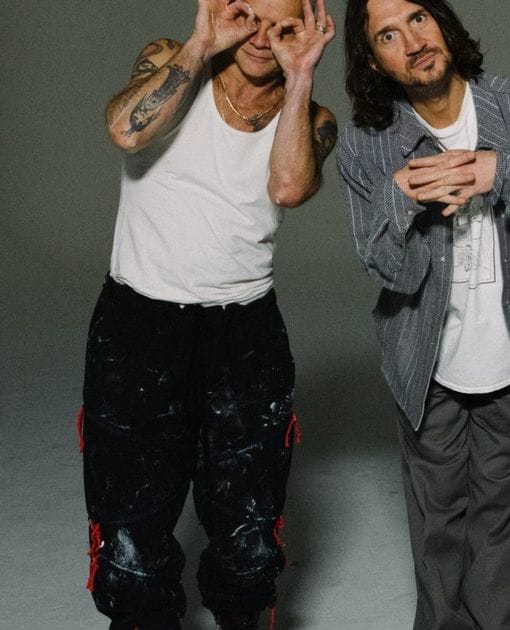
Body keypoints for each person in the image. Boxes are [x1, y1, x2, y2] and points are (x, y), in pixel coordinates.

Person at [81, 0, 337, 628]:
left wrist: (301, 75)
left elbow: (288, 188)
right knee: (130, 505)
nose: (262, 37)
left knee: (247, 511)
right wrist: (200, 45)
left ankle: (240, 615)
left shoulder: (313, 116)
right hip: (139, 322)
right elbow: (126, 131)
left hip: (244, 331)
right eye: (249, 15)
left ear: (307, 30)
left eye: (283, 26)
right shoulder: (168, 58)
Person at [336, 0, 510, 627]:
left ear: (442, 21)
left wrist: (503, 172)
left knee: (499, 525)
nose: (413, 41)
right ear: (372, 60)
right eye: (388, 35)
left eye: (418, 18)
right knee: (437, 526)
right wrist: (401, 197)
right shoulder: (365, 143)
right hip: (426, 359)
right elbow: (389, 270)